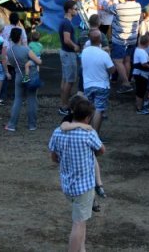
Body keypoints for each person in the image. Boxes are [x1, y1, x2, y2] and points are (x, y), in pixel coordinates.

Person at [48, 99, 105, 252]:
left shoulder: (57, 131)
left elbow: (53, 157)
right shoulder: (89, 133)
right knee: (78, 223)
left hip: (67, 185)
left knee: (82, 219)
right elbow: (101, 150)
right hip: (84, 187)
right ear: (88, 117)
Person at [5, 28, 43, 132]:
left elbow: (12, 64)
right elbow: (39, 62)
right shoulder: (26, 50)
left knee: (17, 100)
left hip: (19, 76)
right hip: (31, 77)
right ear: (21, 37)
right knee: (31, 99)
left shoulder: (9, 51)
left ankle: (12, 124)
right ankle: (32, 125)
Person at [108, 0, 142, 94]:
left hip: (120, 39)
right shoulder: (138, 6)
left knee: (117, 61)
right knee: (127, 60)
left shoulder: (118, 7)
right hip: (132, 38)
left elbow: (108, 7)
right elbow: (126, 4)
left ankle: (126, 83)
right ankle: (125, 82)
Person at [81, 30, 115, 133]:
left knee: (89, 109)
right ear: (100, 39)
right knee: (98, 110)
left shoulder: (84, 52)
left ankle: (86, 131)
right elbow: (112, 69)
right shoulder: (103, 54)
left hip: (87, 84)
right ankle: (95, 134)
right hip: (102, 85)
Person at [58, 0, 80, 116]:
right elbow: (67, 40)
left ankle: (63, 105)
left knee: (65, 79)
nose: (76, 11)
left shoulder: (65, 22)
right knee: (70, 81)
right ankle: (64, 106)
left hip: (65, 53)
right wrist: (75, 46)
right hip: (69, 53)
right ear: (69, 10)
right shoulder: (67, 23)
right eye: (75, 9)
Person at [132, 34, 149, 115]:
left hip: (138, 73)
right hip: (141, 74)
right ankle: (139, 109)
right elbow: (144, 64)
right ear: (147, 43)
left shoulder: (137, 50)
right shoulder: (142, 52)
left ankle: (138, 107)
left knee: (139, 91)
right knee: (141, 91)